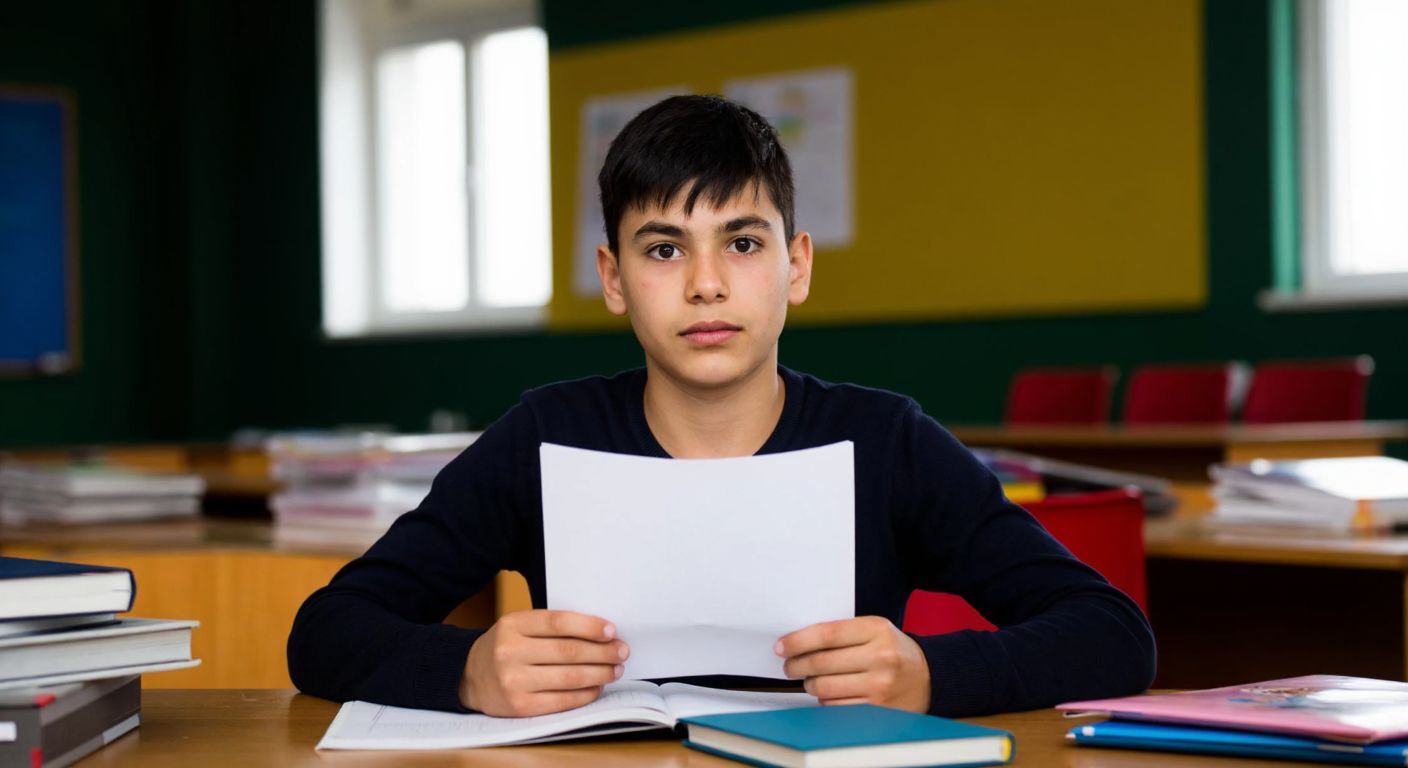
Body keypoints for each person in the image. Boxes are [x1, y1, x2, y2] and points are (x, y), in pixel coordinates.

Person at [287, 94, 1155, 718]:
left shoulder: (884, 440)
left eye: (742, 243)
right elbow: (326, 632)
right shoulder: (548, 435)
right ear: (614, 279)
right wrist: (466, 668)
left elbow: (1114, 635)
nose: (706, 284)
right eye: (664, 249)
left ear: (797, 265)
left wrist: (933, 672)